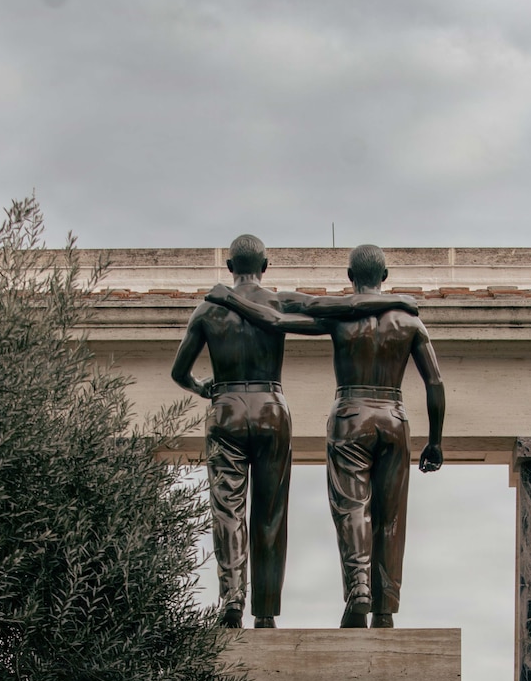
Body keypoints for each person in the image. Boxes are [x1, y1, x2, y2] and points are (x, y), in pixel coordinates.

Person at [172, 234, 420, 628]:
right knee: (271, 513)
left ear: (231, 267)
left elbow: (178, 372)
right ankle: (266, 613)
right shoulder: (278, 300)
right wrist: (399, 301)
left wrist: (202, 387)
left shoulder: (207, 310)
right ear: (266, 266)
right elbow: (344, 306)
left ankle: (232, 599)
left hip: (226, 410)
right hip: (271, 408)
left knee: (227, 510)